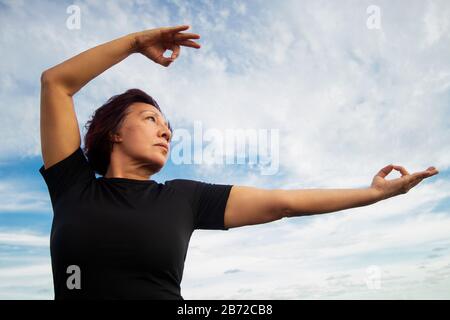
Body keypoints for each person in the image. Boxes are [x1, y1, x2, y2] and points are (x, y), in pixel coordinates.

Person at [39, 25, 439, 300]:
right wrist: (137, 41)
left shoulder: (184, 198)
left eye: (168, 126)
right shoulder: (73, 185)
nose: (166, 132)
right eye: (150, 120)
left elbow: (283, 203)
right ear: (114, 132)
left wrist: (373, 195)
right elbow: (57, 82)